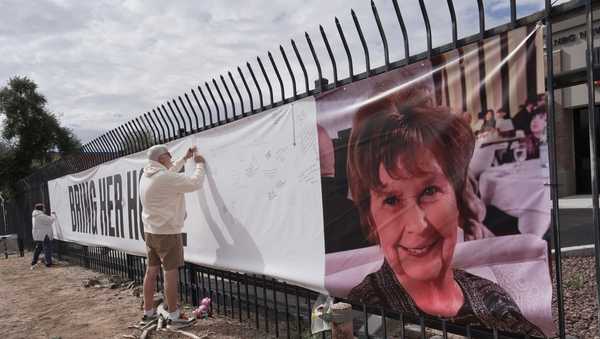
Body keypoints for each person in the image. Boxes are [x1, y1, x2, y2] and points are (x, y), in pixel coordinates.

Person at [345, 100, 543, 336]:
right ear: (371, 217)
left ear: (457, 200)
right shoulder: (363, 310)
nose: (418, 225)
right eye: (391, 200)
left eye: (429, 192)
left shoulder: (490, 294)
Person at [139, 144, 206, 329]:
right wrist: (200, 164)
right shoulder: (164, 177)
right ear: (161, 158)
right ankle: (175, 316)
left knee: (151, 272)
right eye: (169, 155)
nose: (171, 157)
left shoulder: (146, 175)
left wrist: (184, 158)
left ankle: (148, 312)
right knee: (170, 273)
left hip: (151, 231)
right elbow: (194, 183)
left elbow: (169, 172)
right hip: (167, 232)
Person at [31, 203, 55, 269]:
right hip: (43, 234)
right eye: (43, 208)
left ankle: (34, 261)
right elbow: (50, 220)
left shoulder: (35, 215)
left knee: (38, 248)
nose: (45, 209)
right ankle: (48, 262)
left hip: (39, 234)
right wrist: (53, 215)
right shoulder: (40, 215)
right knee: (47, 247)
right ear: (41, 208)